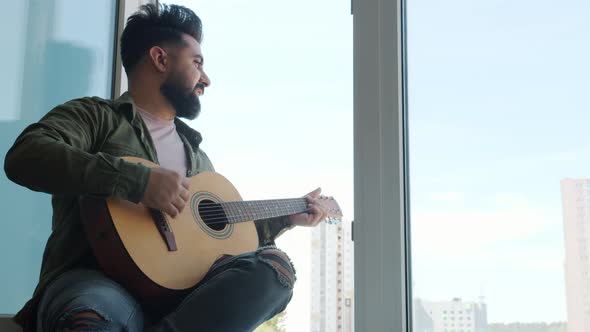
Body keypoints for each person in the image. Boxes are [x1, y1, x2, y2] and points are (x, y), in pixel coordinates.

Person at [4, 3, 329, 332]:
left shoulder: (200, 161)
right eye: (197, 63)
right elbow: (26, 156)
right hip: (95, 279)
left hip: (182, 296)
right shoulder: (95, 116)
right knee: (92, 318)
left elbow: (217, 245)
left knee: (275, 269)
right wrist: (138, 180)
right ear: (160, 59)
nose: (206, 79)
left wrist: (288, 216)